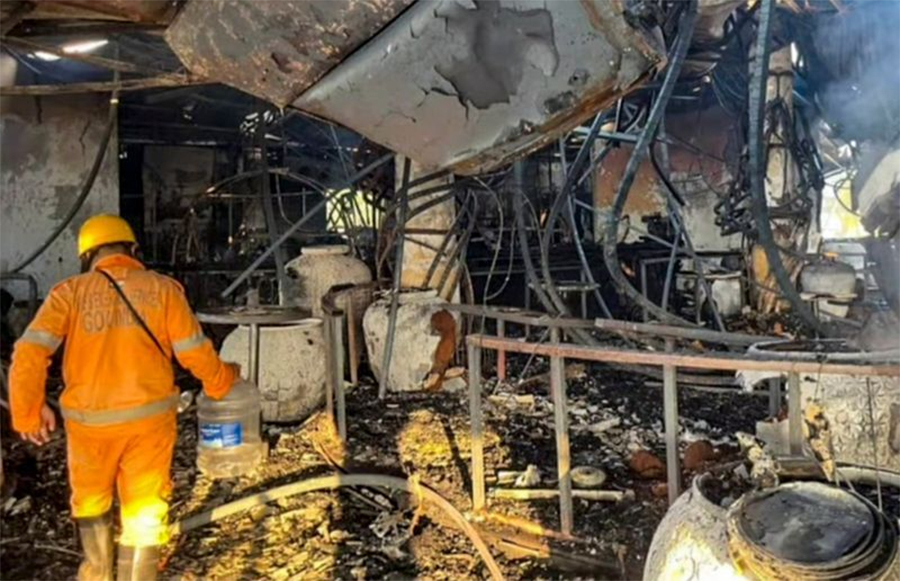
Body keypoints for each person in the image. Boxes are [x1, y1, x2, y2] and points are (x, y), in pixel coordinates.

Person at [8, 214, 240, 581]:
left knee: (90, 500)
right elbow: (195, 352)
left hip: (89, 427)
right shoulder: (163, 290)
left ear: (87, 256)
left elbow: (29, 352)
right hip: (149, 424)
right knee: (145, 512)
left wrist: (28, 412)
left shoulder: (68, 293)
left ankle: (97, 573)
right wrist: (221, 381)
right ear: (133, 249)